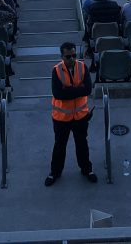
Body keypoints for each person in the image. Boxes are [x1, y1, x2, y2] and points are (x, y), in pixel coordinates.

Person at [45, 42, 97, 187]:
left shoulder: (82, 67)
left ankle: (87, 170)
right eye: (68, 56)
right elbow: (58, 94)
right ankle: (54, 172)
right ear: (62, 57)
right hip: (62, 118)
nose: (72, 59)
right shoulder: (56, 70)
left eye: (74, 55)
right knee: (59, 146)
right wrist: (77, 89)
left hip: (80, 116)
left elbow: (87, 90)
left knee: (82, 144)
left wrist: (68, 90)